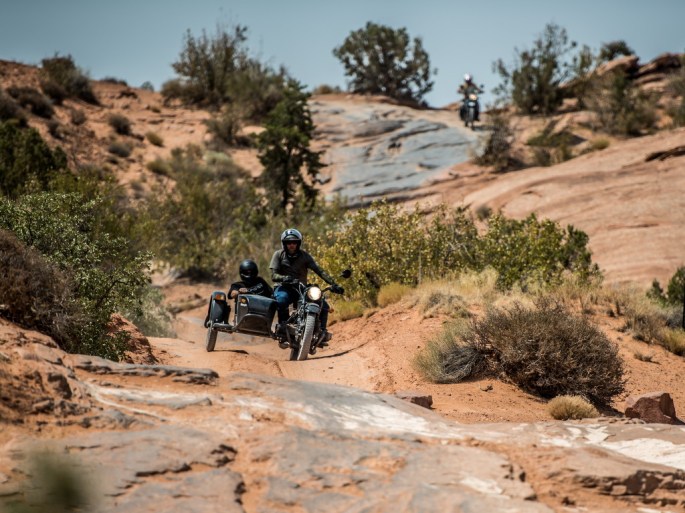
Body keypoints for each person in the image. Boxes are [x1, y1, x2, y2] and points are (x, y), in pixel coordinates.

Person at [269, 228, 344, 347]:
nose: (292, 245)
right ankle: (283, 328)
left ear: (298, 243)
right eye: (289, 242)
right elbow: (273, 275)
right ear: (284, 243)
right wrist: (284, 278)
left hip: (301, 288)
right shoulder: (278, 255)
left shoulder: (305, 256)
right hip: (284, 287)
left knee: (322, 304)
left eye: (294, 242)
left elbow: (319, 271)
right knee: (281, 300)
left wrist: (334, 284)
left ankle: (322, 332)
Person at [203, 259, 272, 328]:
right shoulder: (237, 285)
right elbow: (231, 294)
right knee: (219, 295)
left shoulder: (260, 281)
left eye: (251, 272)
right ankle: (214, 319)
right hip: (244, 314)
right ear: (242, 273)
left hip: (264, 314)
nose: (249, 274)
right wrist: (239, 292)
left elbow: (272, 293)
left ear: (255, 272)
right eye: (246, 272)